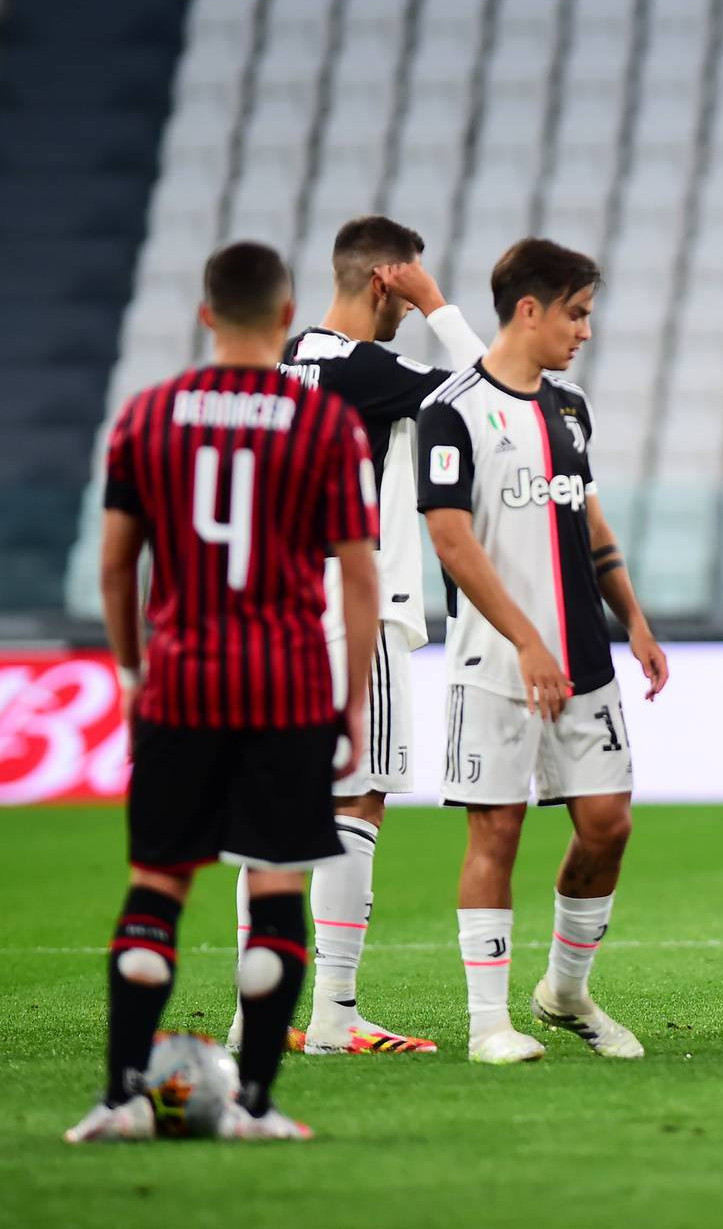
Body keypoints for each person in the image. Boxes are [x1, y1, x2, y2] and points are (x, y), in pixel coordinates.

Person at [68, 242, 378, 1142]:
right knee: (276, 890)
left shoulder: (147, 417)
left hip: (180, 682)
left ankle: (120, 1098)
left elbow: (118, 563)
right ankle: (256, 1106)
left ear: (207, 316)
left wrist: (132, 668)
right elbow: (359, 576)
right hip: (284, 685)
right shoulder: (325, 426)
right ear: (287, 318)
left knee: (156, 886)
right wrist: (350, 700)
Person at [225, 215, 487, 1057]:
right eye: (403, 293)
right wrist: (439, 302)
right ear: (386, 280)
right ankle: (335, 1013)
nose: (407, 310)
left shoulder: (286, 358)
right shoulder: (366, 368)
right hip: (351, 601)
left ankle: (250, 1009)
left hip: (268, 602)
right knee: (355, 797)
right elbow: (494, 397)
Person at [418, 238, 669, 1064]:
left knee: (609, 824)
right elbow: (452, 542)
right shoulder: (451, 410)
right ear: (530, 309)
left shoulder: (569, 407)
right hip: (497, 664)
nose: (585, 330)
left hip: (584, 660)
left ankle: (564, 994)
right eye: (577, 313)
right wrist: (526, 640)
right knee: (497, 833)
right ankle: (488, 1022)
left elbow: (588, 521)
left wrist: (631, 616)